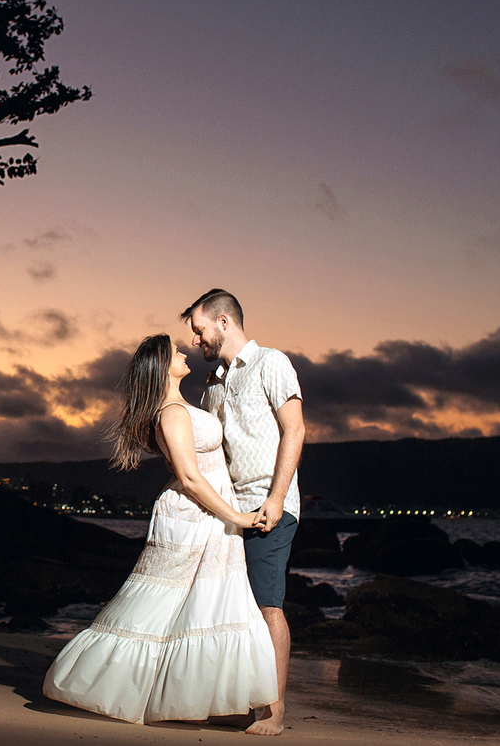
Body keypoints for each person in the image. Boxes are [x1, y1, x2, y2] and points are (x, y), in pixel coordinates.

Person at [43, 334, 278, 730]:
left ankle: (191, 697)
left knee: (201, 603)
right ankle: (97, 682)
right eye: (175, 351)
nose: (184, 352)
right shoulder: (171, 413)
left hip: (207, 512)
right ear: (162, 366)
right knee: (157, 600)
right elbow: (190, 477)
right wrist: (237, 517)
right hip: (193, 513)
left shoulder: (179, 407)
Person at [182, 289, 305, 737]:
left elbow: (295, 429)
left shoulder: (272, 363)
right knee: (233, 608)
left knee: (267, 605)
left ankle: (274, 710)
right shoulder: (213, 382)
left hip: (269, 505)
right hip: (229, 512)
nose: (196, 339)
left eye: (200, 330)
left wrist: (276, 497)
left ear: (224, 322)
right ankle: (239, 701)